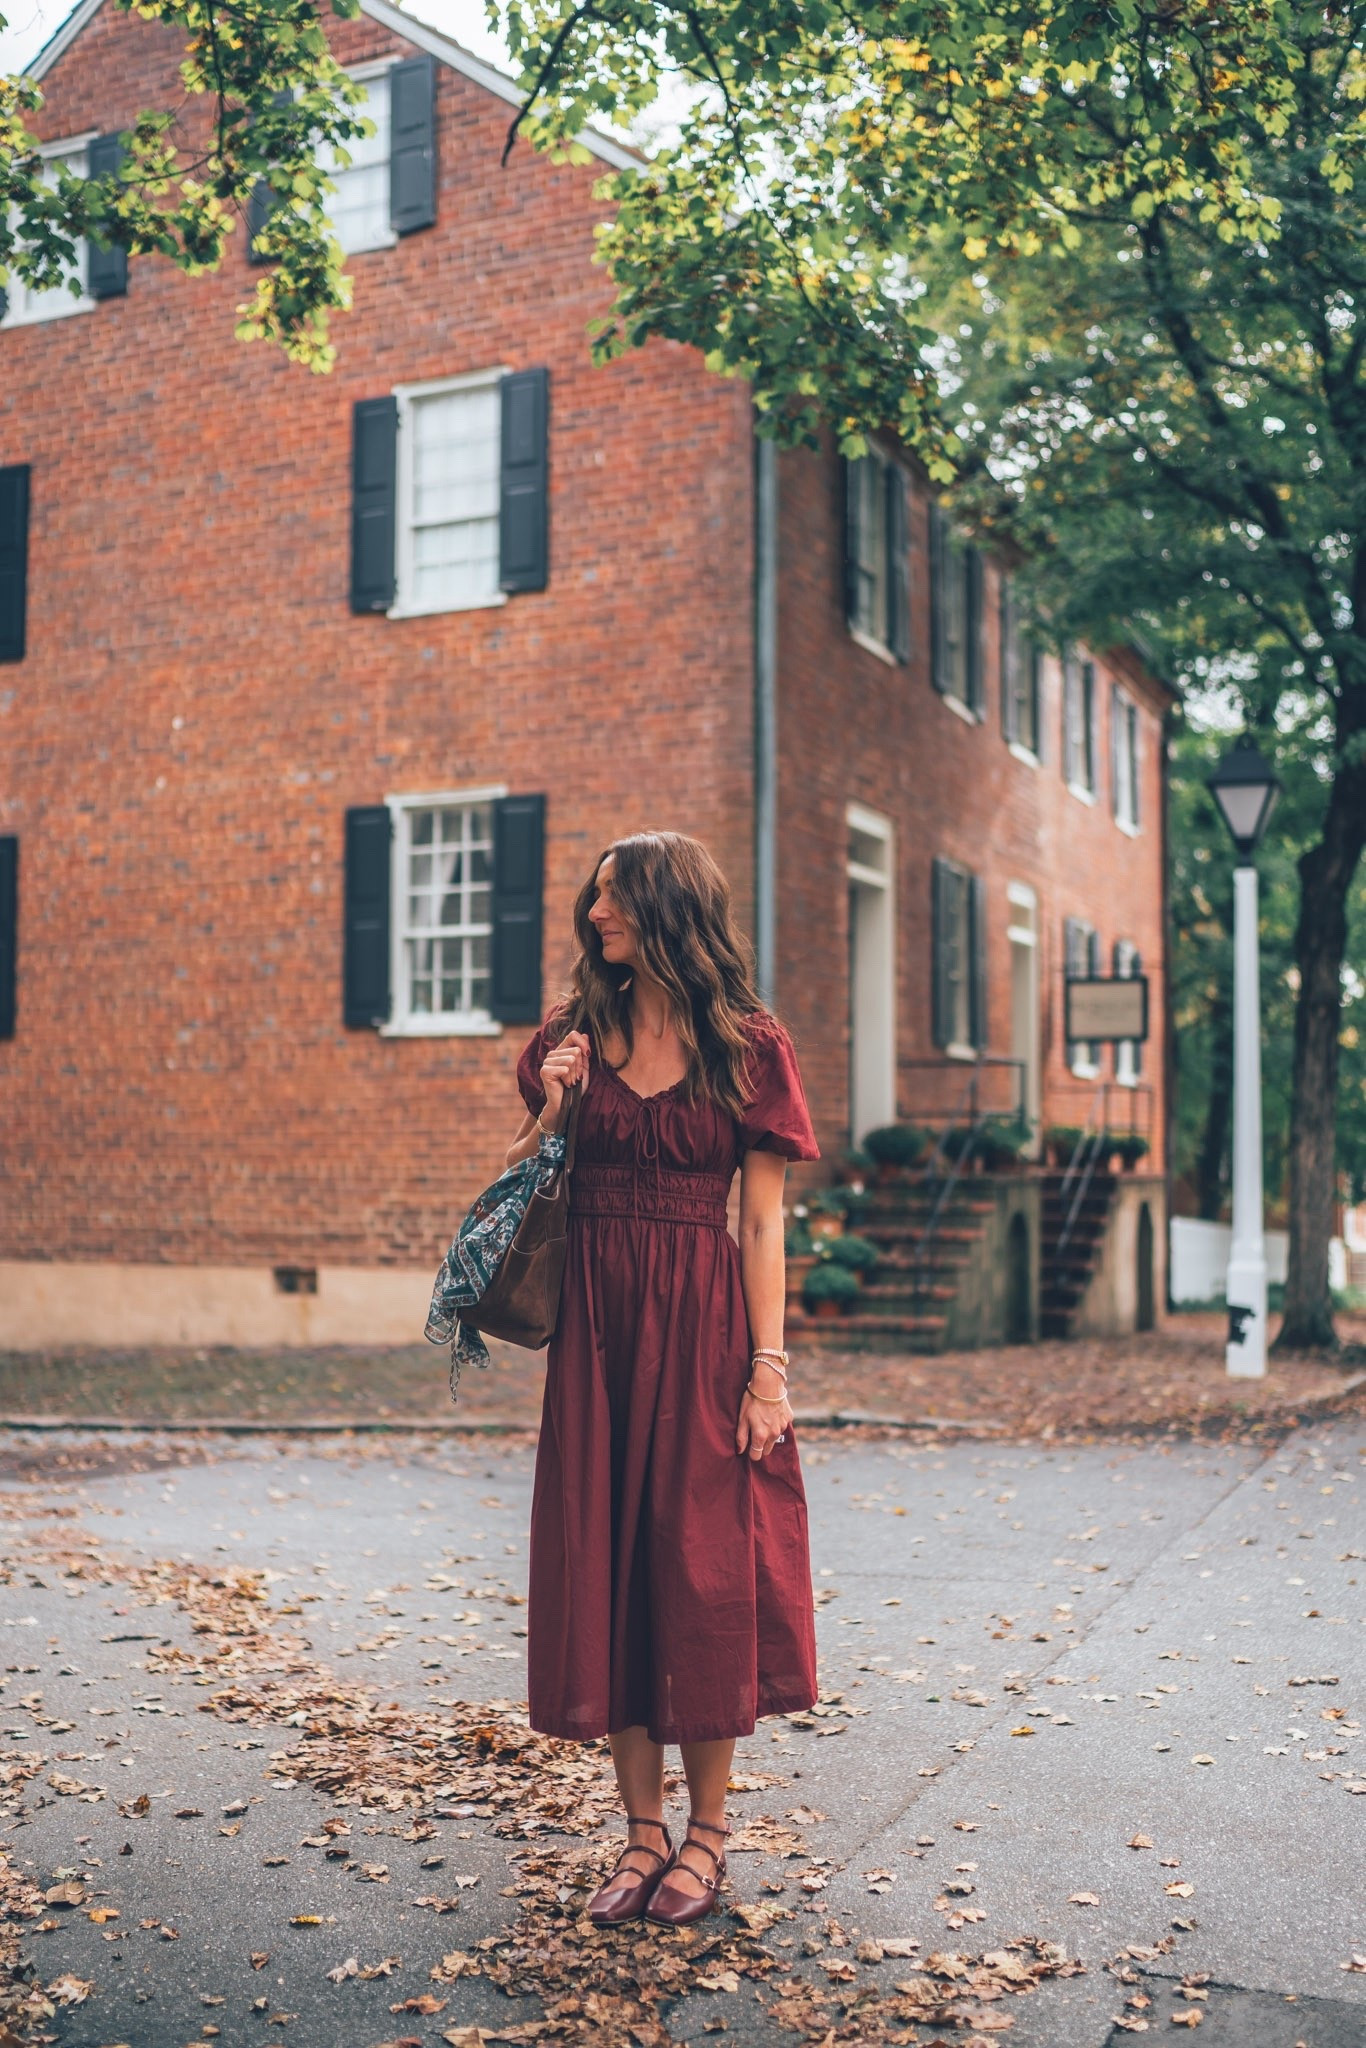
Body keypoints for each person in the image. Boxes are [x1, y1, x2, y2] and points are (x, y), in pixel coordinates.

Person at [505, 831, 820, 1928]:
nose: (595, 916)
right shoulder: (569, 1039)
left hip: (701, 1332)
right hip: (596, 1334)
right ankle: (640, 1835)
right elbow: (524, 1183)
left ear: (666, 906)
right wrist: (553, 1106)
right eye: (590, 899)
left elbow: (764, 1217)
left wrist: (766, 1369)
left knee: (700, 1581)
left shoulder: (748, 1046)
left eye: (613, 899)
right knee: (612, 1571)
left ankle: (708, 1834)